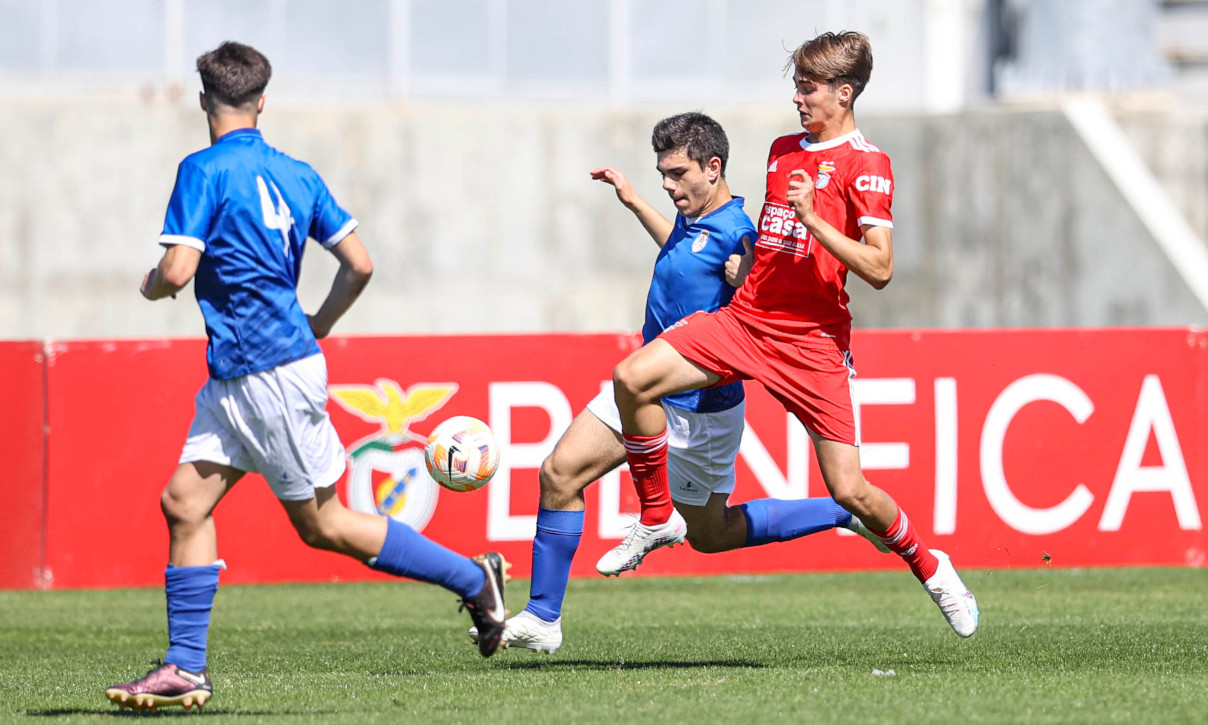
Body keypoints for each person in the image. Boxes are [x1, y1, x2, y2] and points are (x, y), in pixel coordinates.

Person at [104, 42, 508, 713]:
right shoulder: (297, 173)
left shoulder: (201, 169)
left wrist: (152, 286)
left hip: (266, 373)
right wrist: (319, 320)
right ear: (263, 100)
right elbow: (360, 263)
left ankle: (474, 578)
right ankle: (184, 666)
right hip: (243, 374)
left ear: (202, 99)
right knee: (184, 503)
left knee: (325, 524)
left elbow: (175, 272)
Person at [470, 112, 887, 654]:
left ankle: (841, 512)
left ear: (713, 169)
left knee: (711, 537)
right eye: (661, 173)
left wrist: (747, 284)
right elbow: (685, 251)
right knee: (559, 473)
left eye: (677, 173)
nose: (668, 185)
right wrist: (635, 200)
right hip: (645, 390)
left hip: (700, 409)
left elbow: (762, 311)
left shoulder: (742, 235)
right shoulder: (696, 224)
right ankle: (544, 616)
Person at [607, 32, 980, 638]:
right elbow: (776, 239)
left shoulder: (868, 163)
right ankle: (655, 515)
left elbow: (880, 268)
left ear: (844, 92)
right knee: (632, 378)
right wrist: (750, 265)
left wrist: (814, 219)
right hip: (747, 321)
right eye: (796, 87)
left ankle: (932, 568)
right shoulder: (784, 150)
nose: (798, 99)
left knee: (851, 489)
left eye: (808, 89)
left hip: (811, 344)